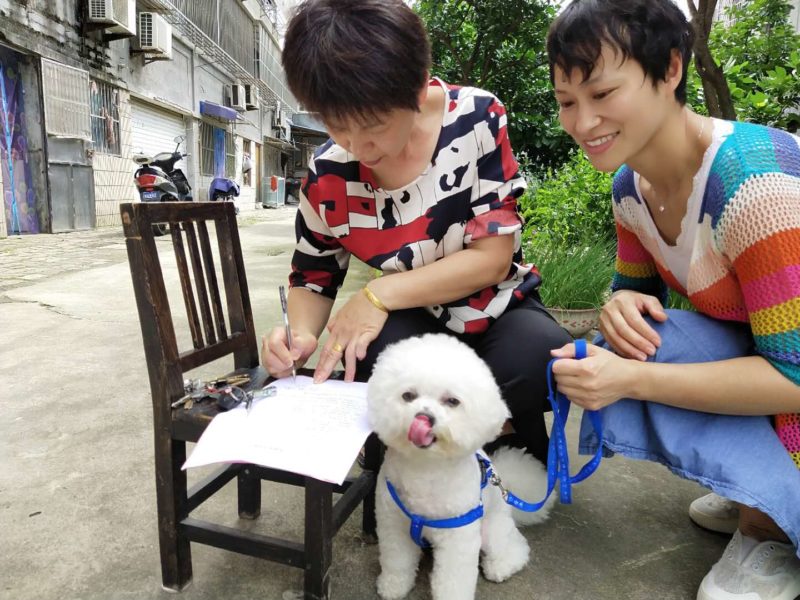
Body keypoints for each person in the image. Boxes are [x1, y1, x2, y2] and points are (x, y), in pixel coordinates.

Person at [545, 1, 800, 599]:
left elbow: (796, 377)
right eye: (566, 101)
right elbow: (636, 298)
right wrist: (617, 309)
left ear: (671, 70)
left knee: (636, 366)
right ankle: (759, 488)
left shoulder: (754, 187)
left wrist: (629, 381)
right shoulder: (629, 188)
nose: (583, 122)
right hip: (770, 345)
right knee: (639, 340)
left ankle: (770, 524)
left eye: (602, 93)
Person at [261, 0, 571, 465]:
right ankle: (438, 454)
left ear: (418, 87)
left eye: (374, 126)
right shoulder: (327, 174)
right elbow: (313, 276)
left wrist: (377, 294)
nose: (357, 147)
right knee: (367, 356)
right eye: (336, 126)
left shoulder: (476, 118)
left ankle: (489, 439)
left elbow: (492, 259)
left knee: (539, 359)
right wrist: (300, 334)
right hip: (414, 317)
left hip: (497, 307)